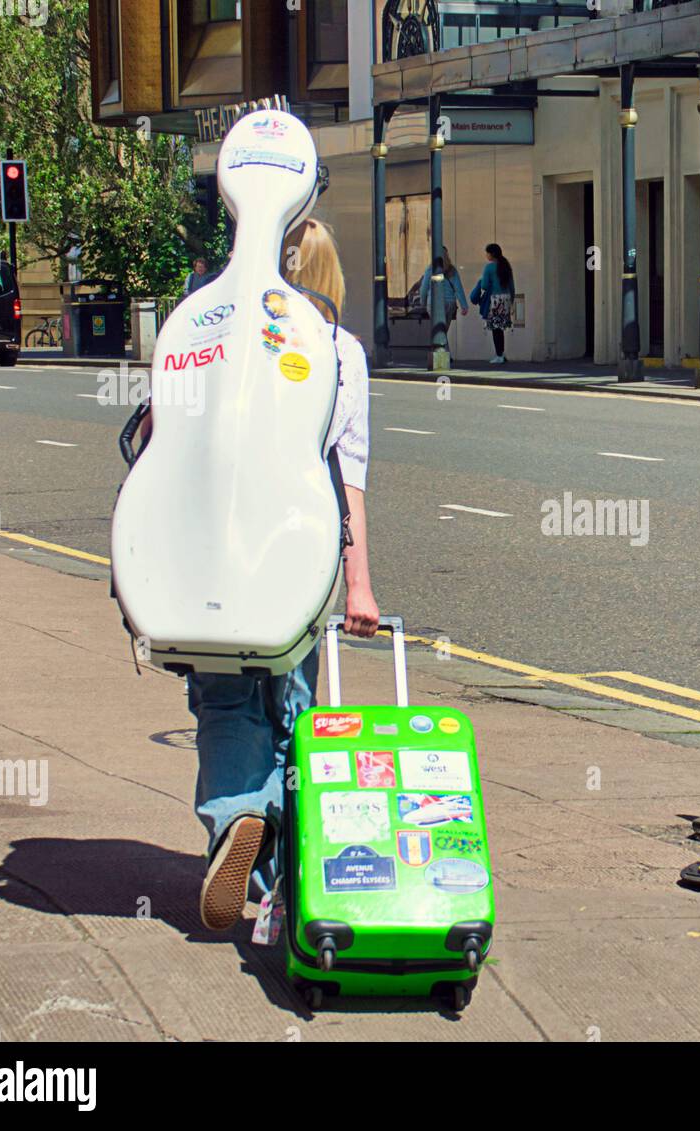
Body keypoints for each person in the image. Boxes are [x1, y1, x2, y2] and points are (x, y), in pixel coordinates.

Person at [188, 217, 381, 931]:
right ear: (329, 277)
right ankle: (279, 872)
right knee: (292, 705)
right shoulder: (340, 352)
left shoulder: (216, 334)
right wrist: (358, 581)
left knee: (226, 699)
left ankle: (239, 817)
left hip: (217, 545)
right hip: (303, 550)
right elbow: (348, 474)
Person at [418, 245, 470, 359]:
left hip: (434, 304)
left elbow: (424, 288)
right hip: (450, 304)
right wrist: (464, 305)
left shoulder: (431, 269)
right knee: (443, 330)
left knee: (439, 331)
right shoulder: (452, 270)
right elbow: (458, 288)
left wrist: (422, 302)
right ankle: (445, 355)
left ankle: (444, 355)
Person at [469, 243, 515, 364]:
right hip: (505, 299)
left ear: (492, 254)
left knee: (495, 329)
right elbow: (511, 286)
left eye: (487, 252)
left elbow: (484, 285)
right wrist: (511, 301)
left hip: (495, 299)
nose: (486, 255)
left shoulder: (489, 267)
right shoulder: (506, 266)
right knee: (500, 328)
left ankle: (499, 355)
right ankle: (501, 353)